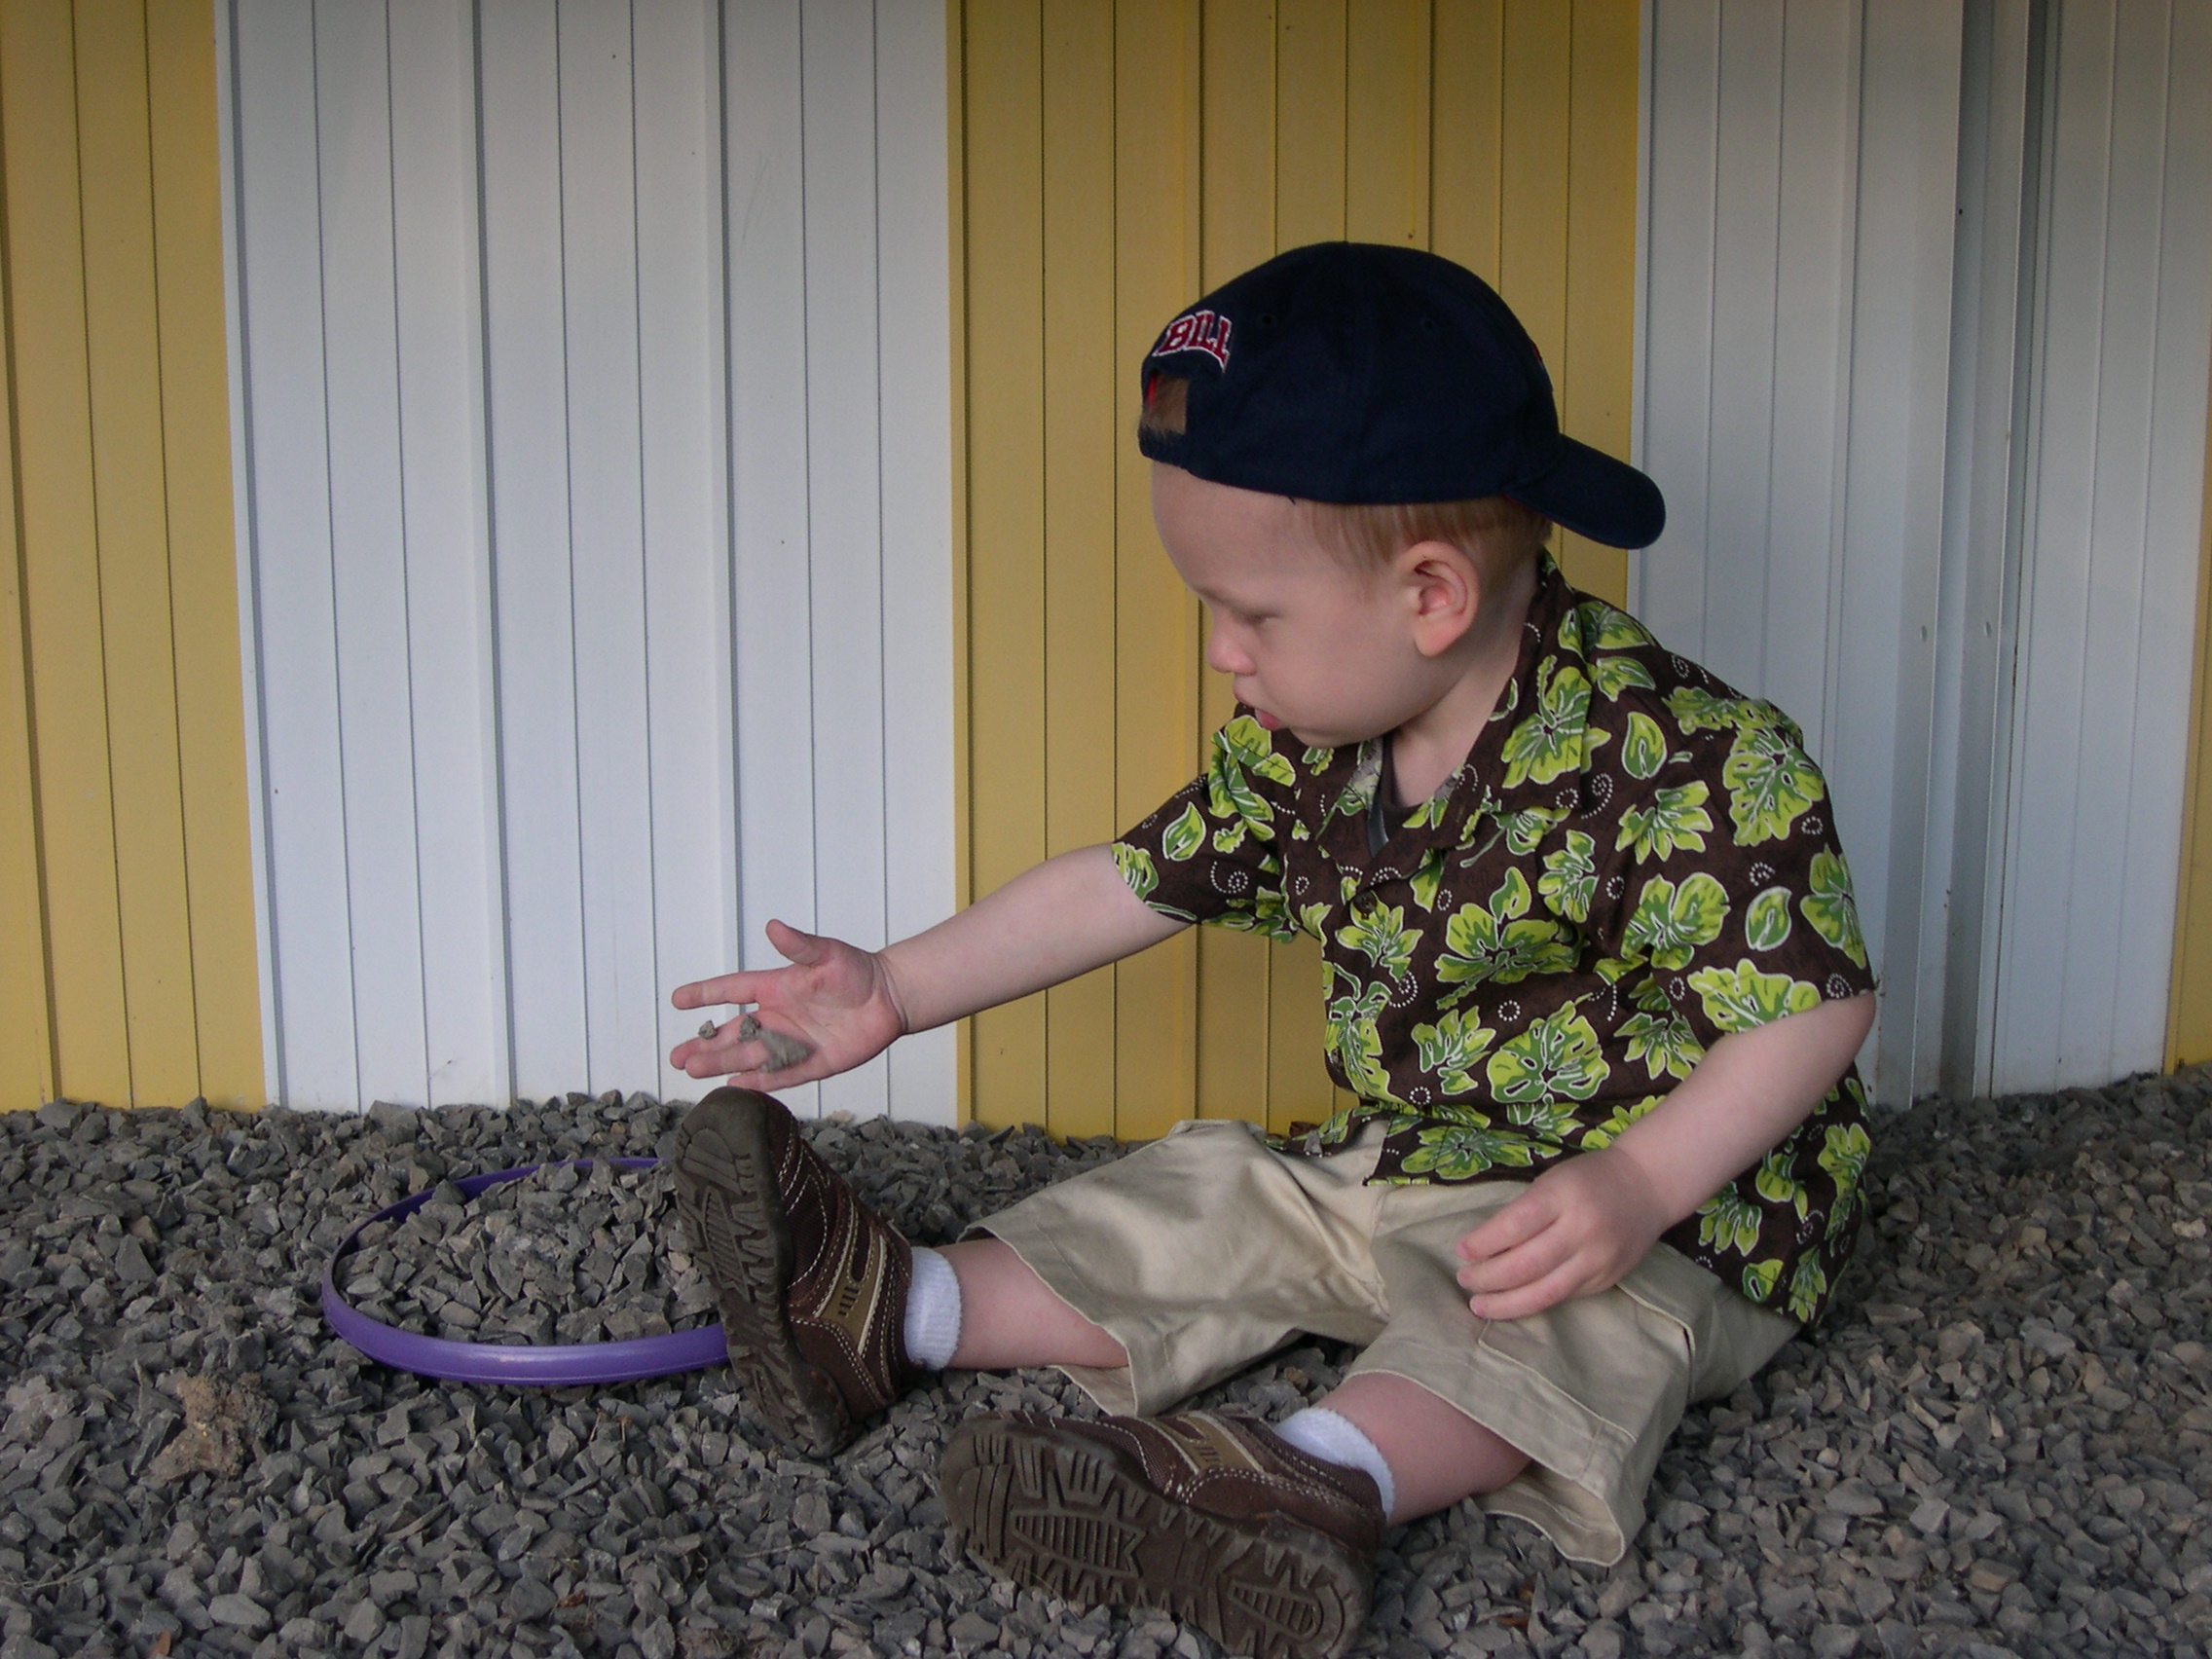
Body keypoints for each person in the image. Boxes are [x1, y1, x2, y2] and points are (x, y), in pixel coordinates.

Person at [665, 242, 1878, 1659]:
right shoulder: (1318, 752)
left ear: (1431, 594)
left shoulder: (1685, 760)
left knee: (1550, 1332)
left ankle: (1306, 1479)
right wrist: (898, 987)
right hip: (1407, 1156)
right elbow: (1128, 886)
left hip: (1657, 1214)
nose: (1220, 657)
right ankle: (894, 1309)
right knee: (1218, 1190)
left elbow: (1814, 1012)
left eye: (1250, 616)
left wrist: (1638, 1178)